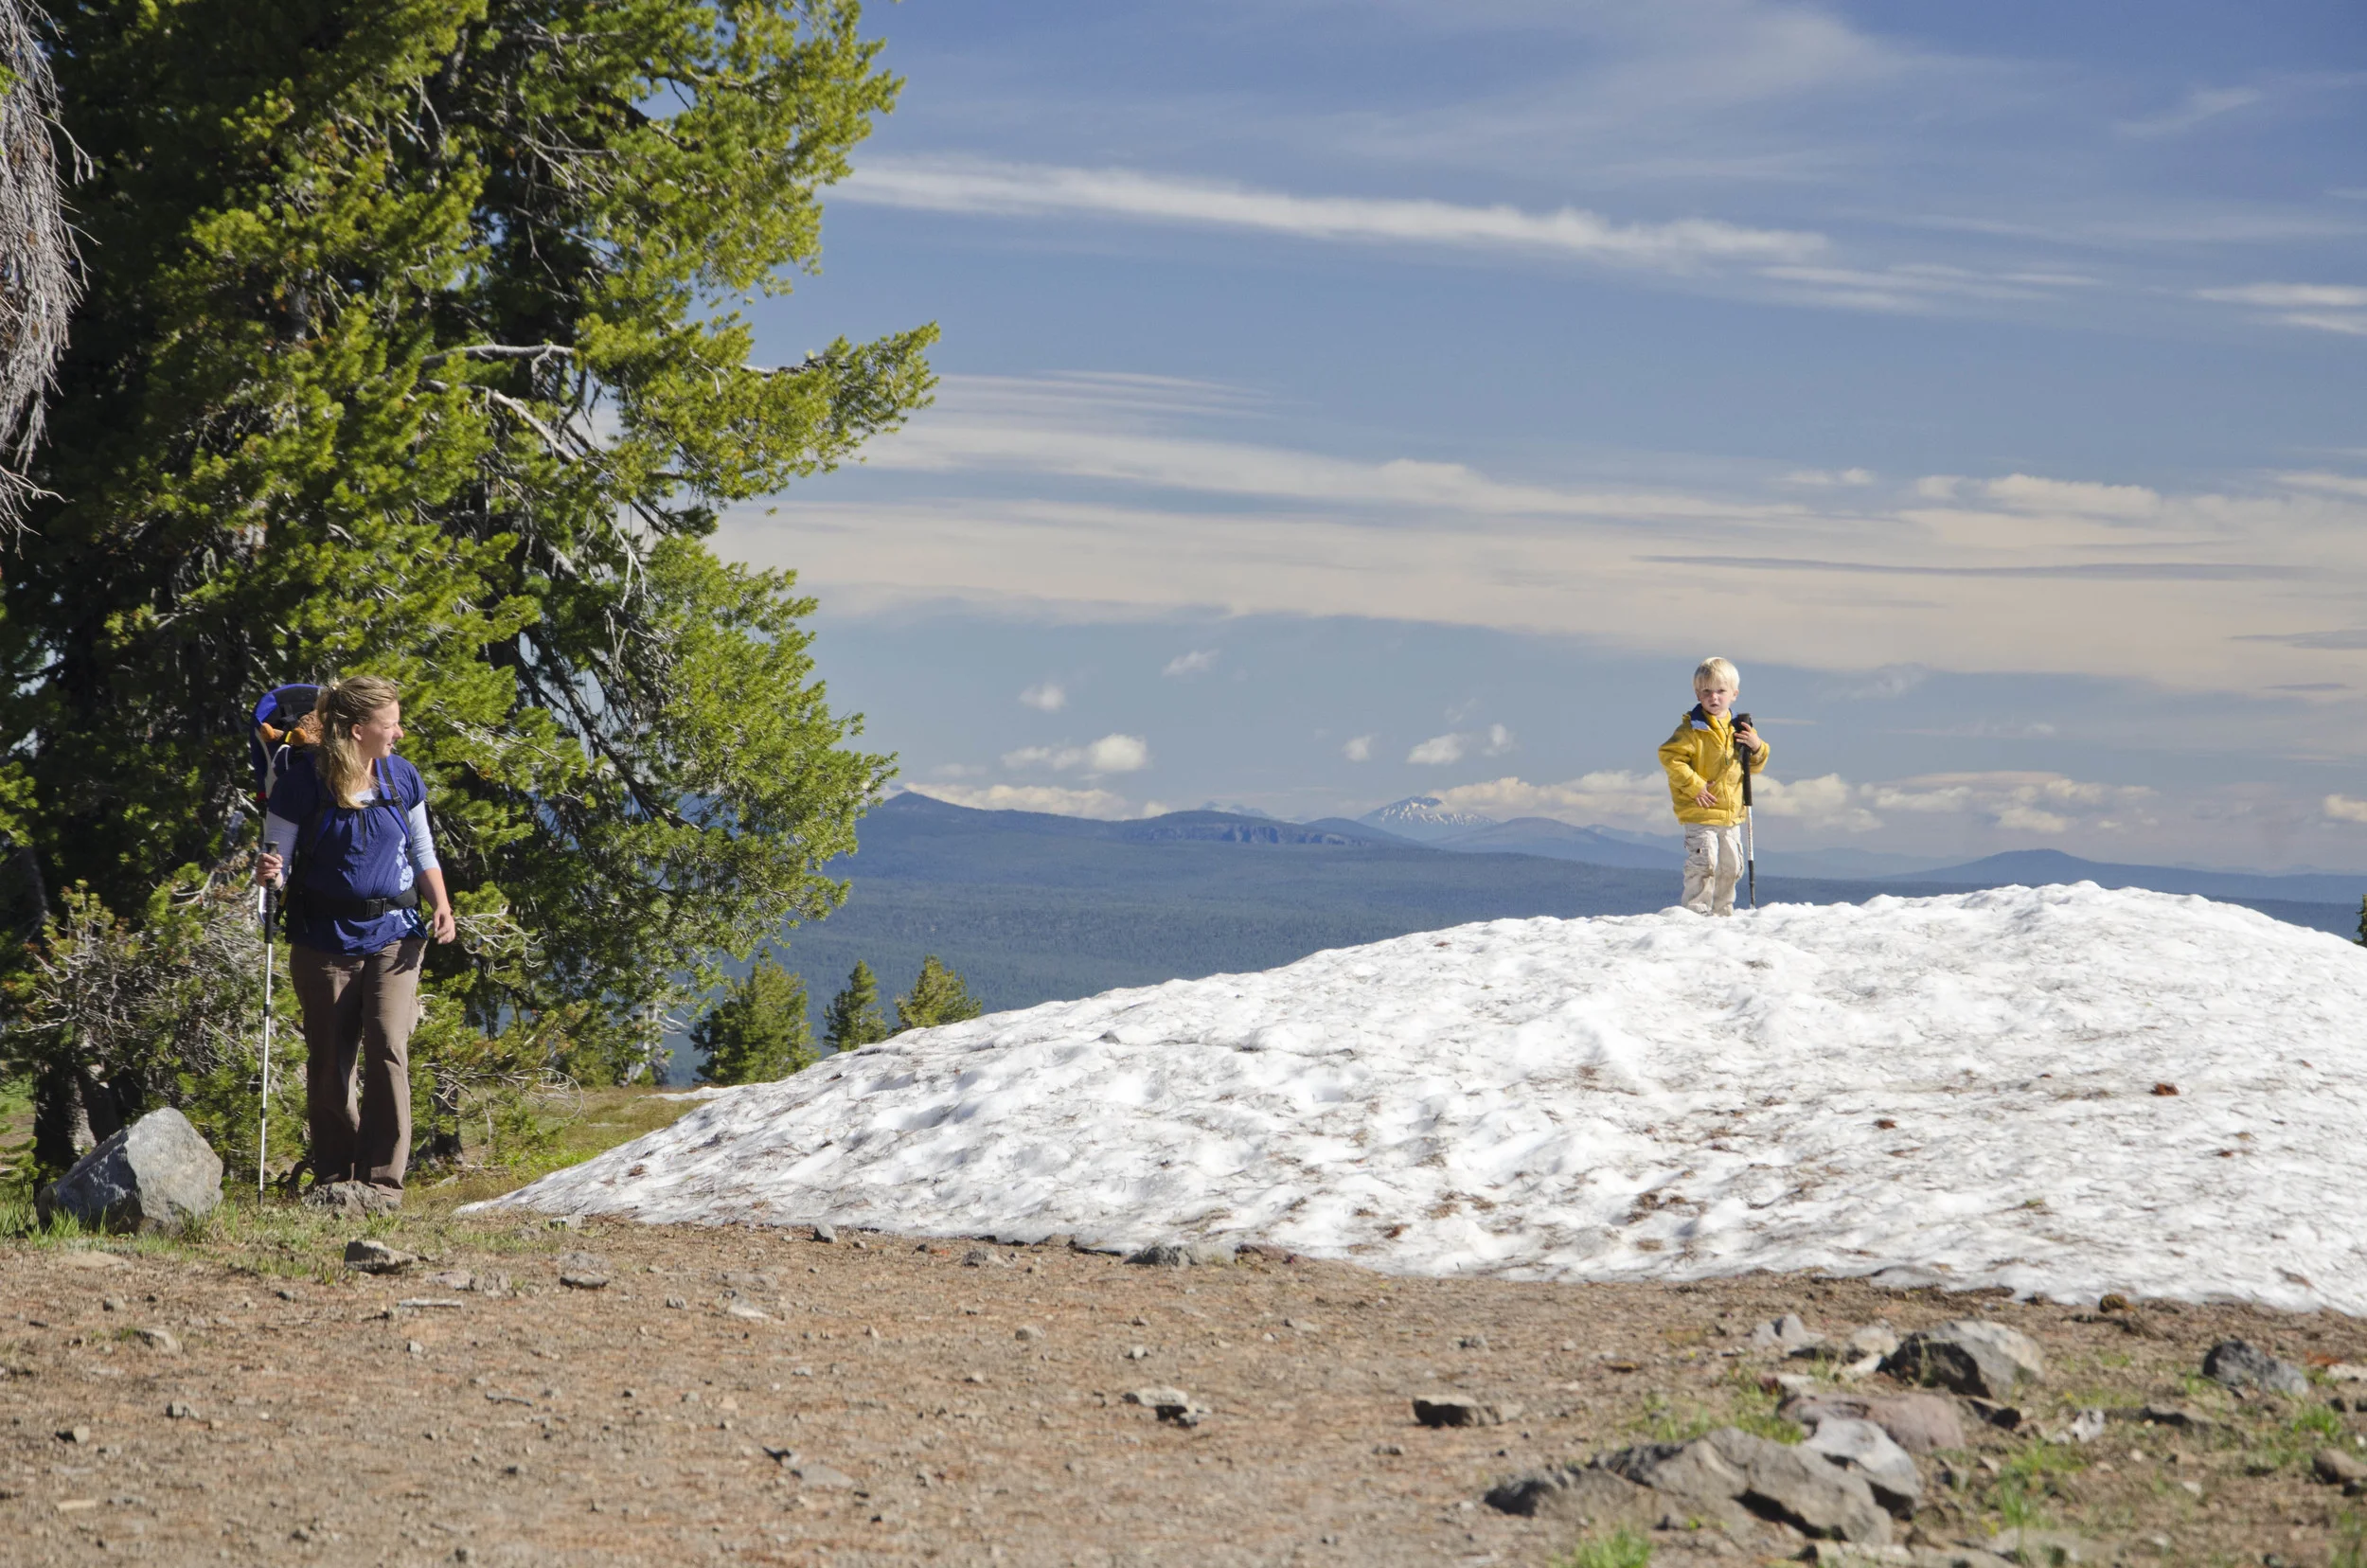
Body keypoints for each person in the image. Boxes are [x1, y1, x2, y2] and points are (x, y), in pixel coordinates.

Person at [254, 676, 455, 1206]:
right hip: (324, 940)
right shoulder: (302, 784)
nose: (400, 733)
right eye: (391, 725)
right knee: (330, 1060)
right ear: (358, 729)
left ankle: (383, 1182)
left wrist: (441, 903)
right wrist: (270, 873)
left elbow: (421, 848)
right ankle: (336, 1178)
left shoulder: (402, 776)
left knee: (388, 1044)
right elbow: (279, 865)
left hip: (396, 933)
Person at [1657, 656, 1770, 918]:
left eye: (1721, 691)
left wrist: (1757, 747)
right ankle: (1696, 912)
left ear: (1734, 694)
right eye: (1706, 691)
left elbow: (1752, 766)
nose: (1714, 697)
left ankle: (1723, 912)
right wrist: (1695, 785)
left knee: (1731, 865)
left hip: (1731, 814)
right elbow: (1670, 757)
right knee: (1705, 862)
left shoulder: (1739, 729)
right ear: (1698, 694)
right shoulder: (1692, 731)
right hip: (1700, 810)